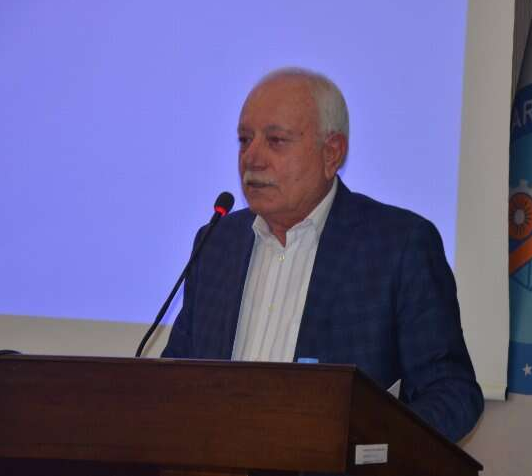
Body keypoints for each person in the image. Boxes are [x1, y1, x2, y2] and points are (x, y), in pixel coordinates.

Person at [162, 68, 483, 442]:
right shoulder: (217, 243)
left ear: (332, 153)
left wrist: (367, 448)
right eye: (245, 139)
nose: (252, 157)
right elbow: (174, 380)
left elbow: (452, 393)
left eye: (276, 140)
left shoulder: (397, 246)